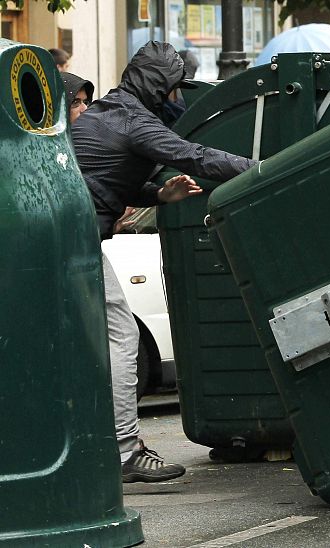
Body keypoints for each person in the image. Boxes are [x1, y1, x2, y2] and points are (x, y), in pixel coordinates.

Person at [72, 40, 257, 484]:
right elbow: (196, 156)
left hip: (65, 235)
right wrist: (262, 167)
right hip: (73, 239)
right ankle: (123, 450)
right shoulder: (133, 120)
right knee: (121, 338)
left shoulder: (110, 112)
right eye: (176, 88)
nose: (179, 98)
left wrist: (157, 195)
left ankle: (89, 447)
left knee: (81, 344)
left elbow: (103, 178)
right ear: (159, 86)